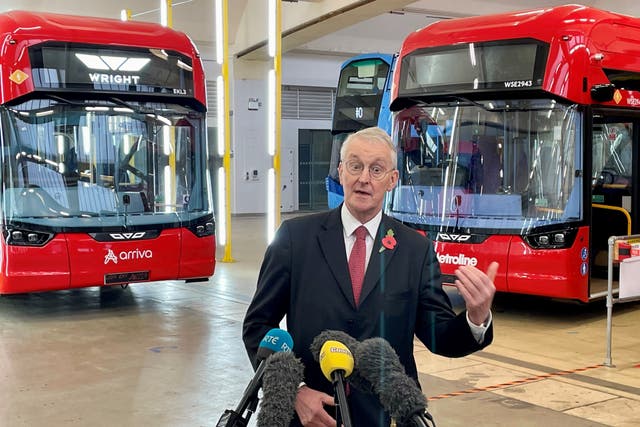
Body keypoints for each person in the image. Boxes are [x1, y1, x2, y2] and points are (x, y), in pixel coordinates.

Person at [243, 126, 498, 426]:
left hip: (386, 415)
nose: (364, 178)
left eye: (376, 169)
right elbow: (259, 327)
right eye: (355, 165)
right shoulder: (295, 239)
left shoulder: (415, 250)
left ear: (392, 180)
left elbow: (438, 335)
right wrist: (295, 392)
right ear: (340, 171)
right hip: (313, 416)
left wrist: (476, 318)